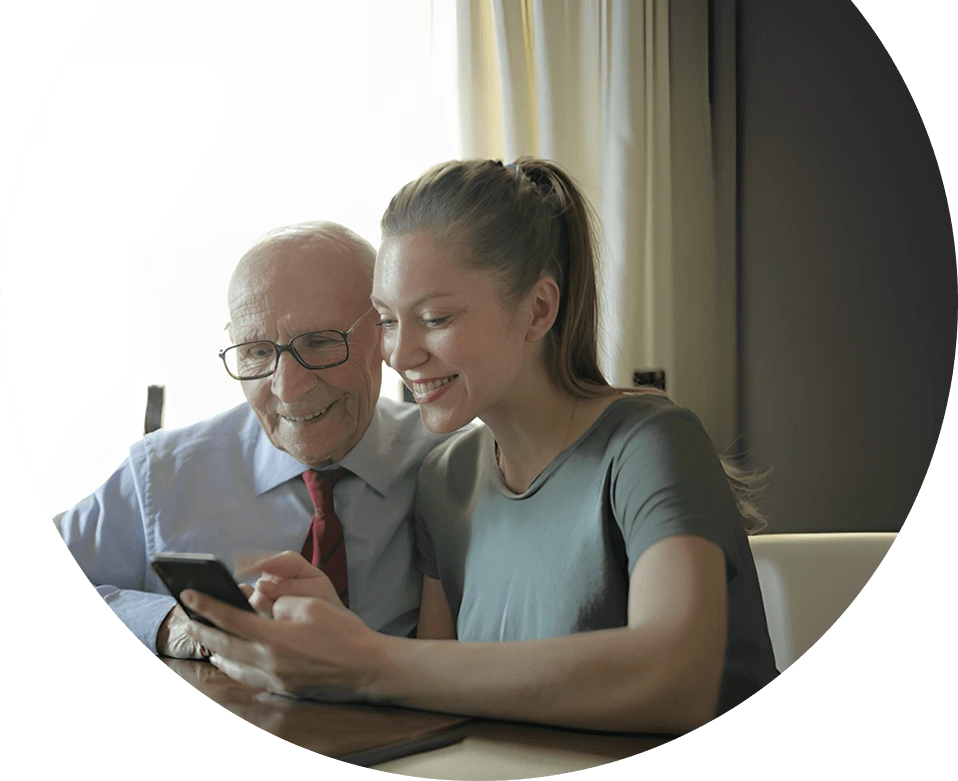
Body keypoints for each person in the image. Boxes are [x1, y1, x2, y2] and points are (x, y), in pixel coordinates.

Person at [183, 159, 780, 735]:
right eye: (387, 320)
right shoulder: (447, 477)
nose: (400, 354)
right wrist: (336, 637)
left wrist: (366, 659)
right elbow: (435, 694)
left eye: (436, 318)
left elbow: (678, 683)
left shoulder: (650, 444)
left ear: (538, 309)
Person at [57, 222, 456, 658]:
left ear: (385, 333)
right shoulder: (163, 475)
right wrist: (163, 624)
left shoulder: (454, 464)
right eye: (257, 352)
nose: (288, 388)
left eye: (321, 343)